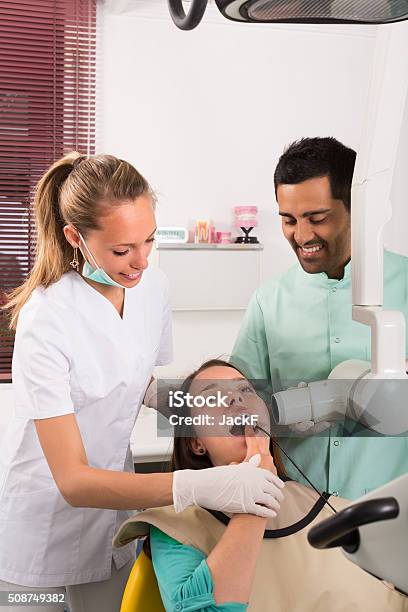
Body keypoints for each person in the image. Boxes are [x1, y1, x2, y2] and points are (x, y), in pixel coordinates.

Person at [0, 153, 283, 612]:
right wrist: (198, 484)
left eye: (149, 240)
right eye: (121, 250)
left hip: (114, 517)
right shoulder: (46, 319)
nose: (141, 262)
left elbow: (137, 377)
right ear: (77, 238)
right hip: (43, 529)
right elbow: (72, 481)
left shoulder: (153, 289)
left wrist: (203, 409)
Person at [114, 359, 408, 612]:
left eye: (245, 390)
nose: (235, 399)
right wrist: (253, 496)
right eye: (211, 396)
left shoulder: (335, 510)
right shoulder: (174, 527)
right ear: (196, 442)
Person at [232, 137, 408, 500]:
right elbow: (238, 410)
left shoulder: (403, 284)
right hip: (297, 512)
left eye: (317, 218)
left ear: (358, 209)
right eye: (289, 220)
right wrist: (276, 416)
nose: (302, 235)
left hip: (391, 512)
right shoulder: (269, 302)